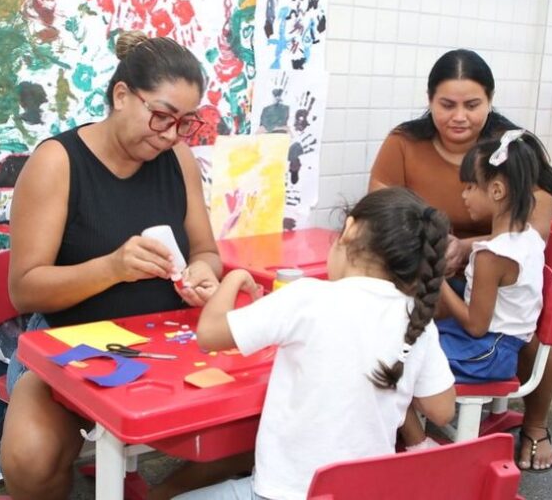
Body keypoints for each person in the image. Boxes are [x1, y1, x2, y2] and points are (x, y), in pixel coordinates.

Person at [1, 30, 244, 500]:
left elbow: (206, 250)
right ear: (121, 96)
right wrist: (112, 268)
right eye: (161, 117)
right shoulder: (58, 161)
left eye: (185, 123)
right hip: (69, 343)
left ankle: (156, 494)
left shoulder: (178, 159)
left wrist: (204, 273)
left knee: (259, 425)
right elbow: (25, 289)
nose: (171, 134)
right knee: (30, 459)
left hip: (170, 341)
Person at [175, 187, 457, 500]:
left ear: (350, 229)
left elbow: (209, 333)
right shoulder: (418, 321)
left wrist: (234, 277)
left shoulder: (307, 297)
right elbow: (442, 411)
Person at [369, 48, 552, 471]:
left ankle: (535, 427)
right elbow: (379, 210)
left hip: (495, 276)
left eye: (472, 105)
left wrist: (469, 247)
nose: (459, 116)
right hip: (426, 267)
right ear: (429, 100)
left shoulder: (514, 150)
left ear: (491, 101)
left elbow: (537, 228)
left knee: (536, 340)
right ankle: (397, 425)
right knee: (388, 327)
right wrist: (435, 253)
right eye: (447, 105)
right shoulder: (405, 142)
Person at [401, 130, 552, 459]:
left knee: (401, 359)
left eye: (469, 186)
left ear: (496, 190)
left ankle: (418, 446)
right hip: (503, 346)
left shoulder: (491, 256)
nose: (463, 195)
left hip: (486, 353)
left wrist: (436, 280)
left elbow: (476, 325)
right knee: (410, 340)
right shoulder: (529, 239)